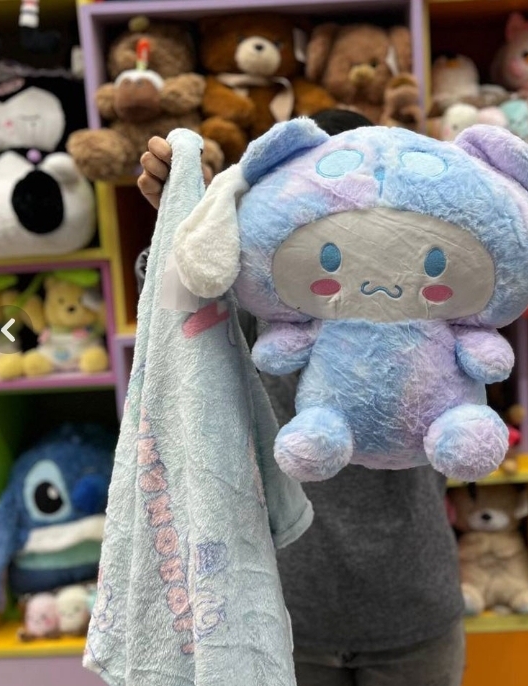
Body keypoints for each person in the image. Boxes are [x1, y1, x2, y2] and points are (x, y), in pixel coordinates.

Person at [136, 111, 466, 686]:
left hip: (412, 608)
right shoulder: (262, 299)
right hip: (284, 616)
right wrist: (189, 220)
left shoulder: (433, 300)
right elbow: (179, 317)